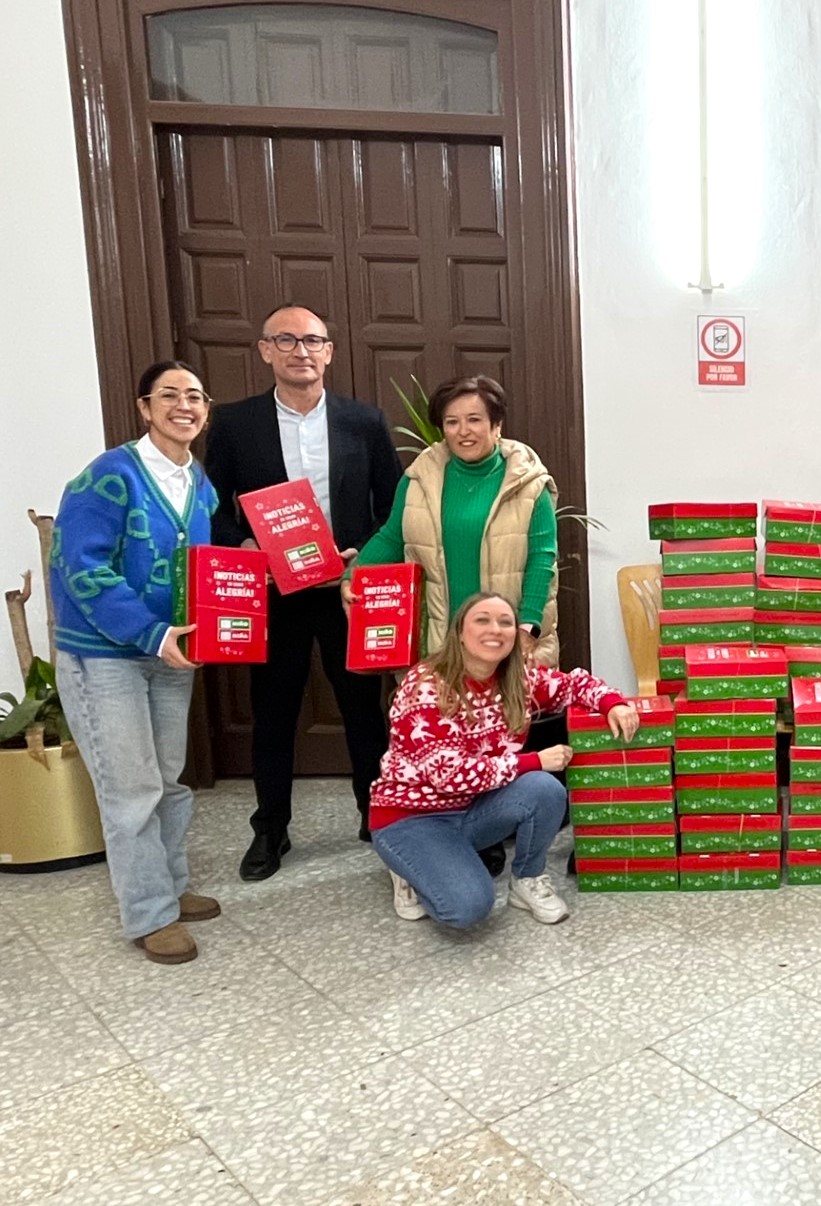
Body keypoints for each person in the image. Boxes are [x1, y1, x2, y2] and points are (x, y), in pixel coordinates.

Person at [203, 304, 403, 880]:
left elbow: (392, 507)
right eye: (286, 340)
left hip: (347, 591)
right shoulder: (237, 424)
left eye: (313, 340)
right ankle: (271, 830)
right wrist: (242, 547)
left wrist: (364, 551)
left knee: (364, 711)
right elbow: (213, 509)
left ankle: (378, 816)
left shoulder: (363, 421)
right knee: (273, 714)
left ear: (329, 351)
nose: (301, 351)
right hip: (273, 593)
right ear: (265, 350)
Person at [51, 361, 222, 964]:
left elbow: (201, 564)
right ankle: (149, 915)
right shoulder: (107, 477)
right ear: (144, 408)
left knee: (168, 777)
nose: (185, 405)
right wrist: (151, 633)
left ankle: (171, 886)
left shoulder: (198, 482)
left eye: (195, 396)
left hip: (171, 653)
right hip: (108, 658)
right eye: (169, 395)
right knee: (131, 788)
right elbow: (82, 569)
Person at [368, 592, 639, 927]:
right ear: (459, 634)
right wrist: (533, 760)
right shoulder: (425, 685)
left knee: (545, 790)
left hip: (473, 809)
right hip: (412, 818)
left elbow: (573, 685)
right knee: (467, 910)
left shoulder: (517, 679)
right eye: (482, 620)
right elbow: (448, 776)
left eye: (505, 622)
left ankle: (526, 879)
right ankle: (408, 869)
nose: (494, 630)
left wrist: (613, 702)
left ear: (515, 635)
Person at [344, 374, 560, 664]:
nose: (463, 431)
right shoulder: (419, 479)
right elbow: (393, 537)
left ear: (497, 425)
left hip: (506, 641)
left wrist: (527, 628)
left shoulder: (529, 483)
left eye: (474, 420)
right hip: (439, 642)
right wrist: (353, 576)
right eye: (452, 422)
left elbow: (542, 558)